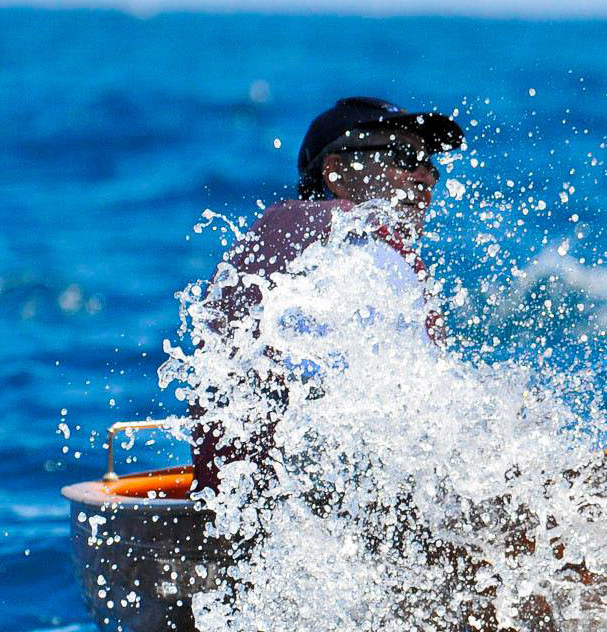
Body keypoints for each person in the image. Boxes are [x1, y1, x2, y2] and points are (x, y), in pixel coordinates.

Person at [191, 96, 464, 491]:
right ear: (335, 173)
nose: (425, 178)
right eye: (404, 158)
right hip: (306, 498)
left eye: (430, 167)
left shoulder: (385, 264)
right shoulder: (310, 229)